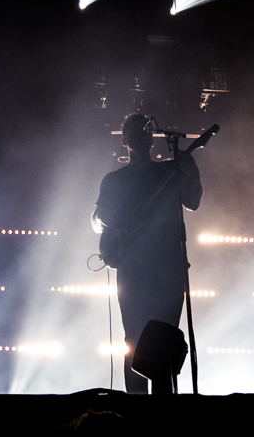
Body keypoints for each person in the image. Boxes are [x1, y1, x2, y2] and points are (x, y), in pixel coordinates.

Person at [91, 114, 202, 394]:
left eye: (145, 134)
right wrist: (116, 221)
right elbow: (95, 220)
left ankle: (163, 405)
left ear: (151, 140)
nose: (140, 139)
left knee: (165, 340)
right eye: (134, 134)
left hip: (167, 266)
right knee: (135, 339)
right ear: (125, 140)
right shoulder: (115, 180)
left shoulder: (167, 172)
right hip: (132, 269)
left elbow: (193, 201)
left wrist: (192, 171)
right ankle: (136, 405)